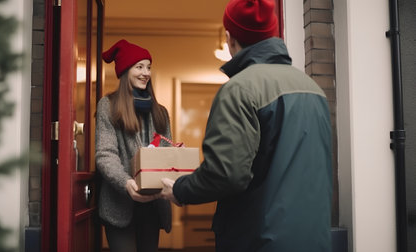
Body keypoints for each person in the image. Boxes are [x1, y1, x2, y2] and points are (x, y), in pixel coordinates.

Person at [160, 0, 333, 251]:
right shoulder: (314, 89)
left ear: (229, 38)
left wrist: (180, 190)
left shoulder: (239, 89)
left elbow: (225, 174)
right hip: (314, 240)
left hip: (258, 241)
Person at [96, 39, 172, 252]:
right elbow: (105, 154)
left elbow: (167, 153)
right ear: (124, 71)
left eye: (148, 67)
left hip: (153, 204)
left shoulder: (161, 112)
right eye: (139, 66)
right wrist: (127, 183)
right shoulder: (108, 106)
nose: (146, 72)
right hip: (120, 204)